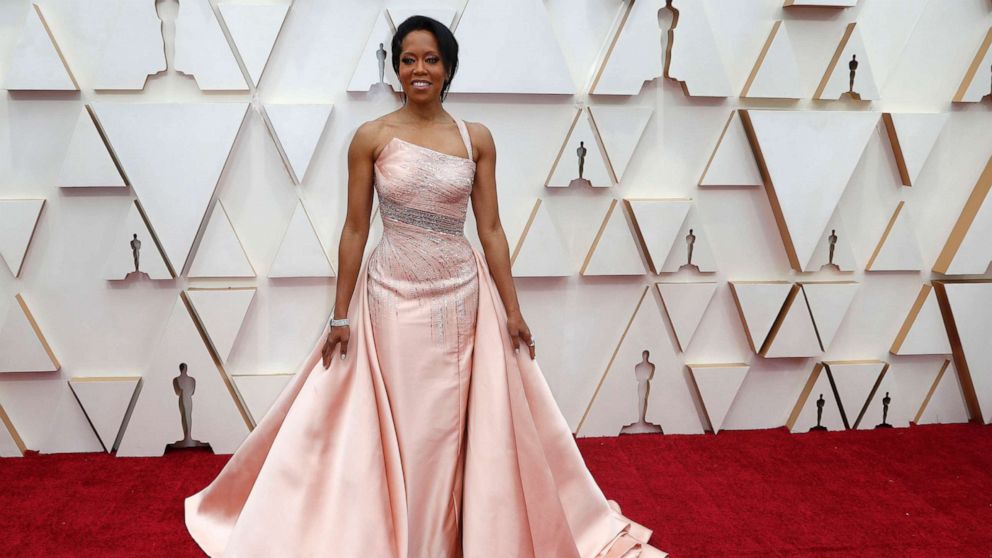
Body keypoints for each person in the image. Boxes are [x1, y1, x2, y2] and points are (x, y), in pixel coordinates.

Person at [184, 15, 666, 558]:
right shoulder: (371, 138)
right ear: (396, 68)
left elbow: (490, 230)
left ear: (449, 68)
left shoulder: (475, 139)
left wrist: (513, 309)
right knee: (406, 426)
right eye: (408, 59)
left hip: (461, 298)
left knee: (447, 430)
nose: (419, 69)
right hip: (390, 296)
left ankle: (446, 538)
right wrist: (339, 315)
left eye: (430, 59)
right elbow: (355, 229)